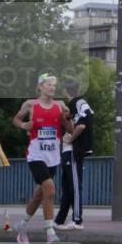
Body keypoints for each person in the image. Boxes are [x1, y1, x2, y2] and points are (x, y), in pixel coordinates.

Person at [12, 73, 70, 244]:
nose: (53, 87)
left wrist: (68, 117)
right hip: (36, 155)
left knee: (39, 195)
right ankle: (50, 233)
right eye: (49, 84)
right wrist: (23, 125)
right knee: (50, 190)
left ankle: (21, 226)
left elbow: (69, 129)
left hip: (53, 156)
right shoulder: (30, 104)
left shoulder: (60, 105)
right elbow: (15, 119)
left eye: (54, 85)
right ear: (40, 87)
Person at [54, 80, 93, 231]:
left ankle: (77, 220)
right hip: (70, 150)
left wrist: (71, 138)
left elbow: (80, 125)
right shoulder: (79, 104)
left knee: (75, 187)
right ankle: (59, 220)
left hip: (74, 150)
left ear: (65, 91)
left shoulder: (75, 103)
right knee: (68, 187)